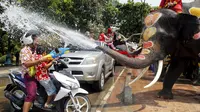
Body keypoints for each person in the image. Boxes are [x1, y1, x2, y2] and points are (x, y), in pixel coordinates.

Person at [20, 30, 49, 112]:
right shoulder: (24, 51)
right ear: (30, 40)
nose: (38, 40)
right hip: (30, 76)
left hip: (39, 74)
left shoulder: (38, 49)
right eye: (36, 39)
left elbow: (45, 58)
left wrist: (53, 58)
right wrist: (40, 60)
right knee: (31, 95)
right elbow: (26, 64)